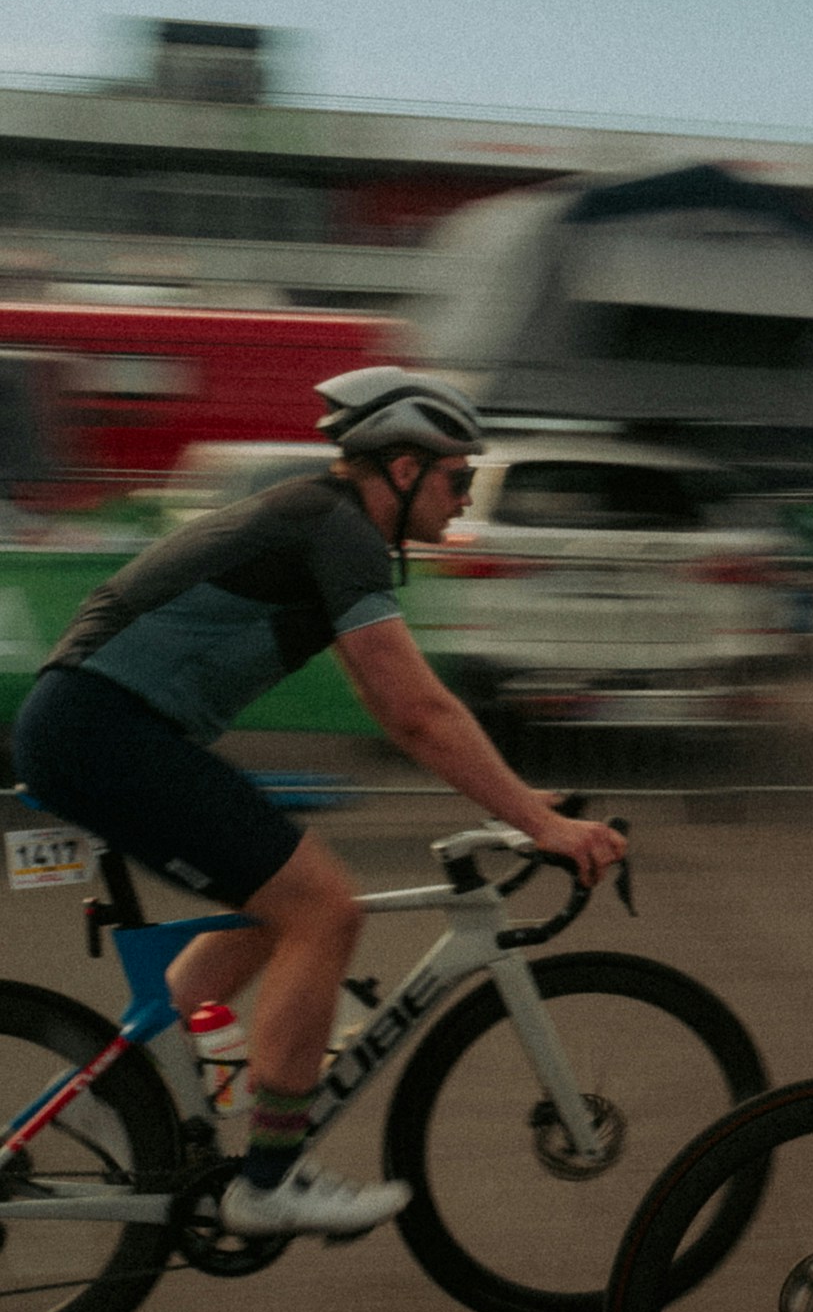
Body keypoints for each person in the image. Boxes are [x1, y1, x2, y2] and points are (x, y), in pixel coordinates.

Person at [12, 368, 626, 1238]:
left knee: (271, 907)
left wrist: (522, 800)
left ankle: (123, 1100)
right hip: (103, 730)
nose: (464, 498)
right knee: (323, 911)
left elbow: (406, 705)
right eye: (459, 477)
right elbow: (413, 712)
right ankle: (269, 1180)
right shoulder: (335, 530)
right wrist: (540, 822)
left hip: (97, 727)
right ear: (404, 465)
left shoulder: (317, 521)